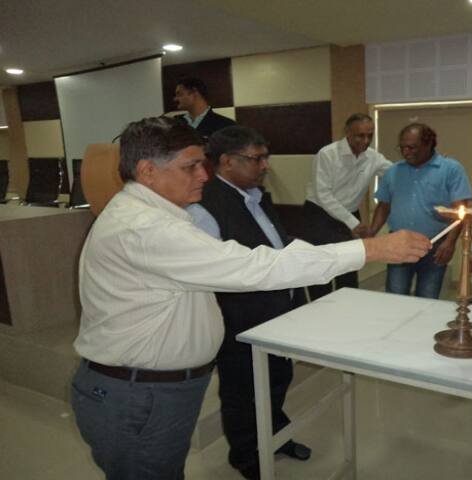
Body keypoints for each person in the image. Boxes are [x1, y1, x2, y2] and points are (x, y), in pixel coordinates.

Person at [70, 116, 430, 480]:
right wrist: (370, 249)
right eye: (191, 166)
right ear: (148, 171)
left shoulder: (154, 215)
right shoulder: (146, 229)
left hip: (152, 389)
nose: (204, 175)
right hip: (140, 394)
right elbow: (254, 267)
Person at [187, 126, 311, 480]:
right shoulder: (204, 209)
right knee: (241, 392)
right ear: (227, 162)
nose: (265, 166)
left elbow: (275, 245)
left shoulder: (255, 195)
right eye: (257, 159)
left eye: (265, 158)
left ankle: (275, 435)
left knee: (278, 377)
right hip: (239, 321)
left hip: (277, 312)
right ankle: (245, 455)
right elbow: (215, 274)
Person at [370, 123, 472, 299]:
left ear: (428, 144)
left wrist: (450, 243)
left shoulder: (451, 169)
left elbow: (460, 211)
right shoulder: (393, 172)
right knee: (395, 297)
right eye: (402, 147)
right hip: (398, 242)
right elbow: (384, 205)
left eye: (412, 147)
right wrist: (371, 232)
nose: (406, 152)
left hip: (434, 245)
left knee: (427, 297)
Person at [302, 113, 393, 300]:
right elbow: (323, 195)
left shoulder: (373, 157)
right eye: (360, 135)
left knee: (350, 267)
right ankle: (320, 310)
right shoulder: (327, 154)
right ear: (347, 133)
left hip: (350, 214)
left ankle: (348, 306)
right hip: (319, 215)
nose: (365, 141)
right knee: (321, 269)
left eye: (369, 135)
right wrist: (352, 222)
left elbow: (396, 172)